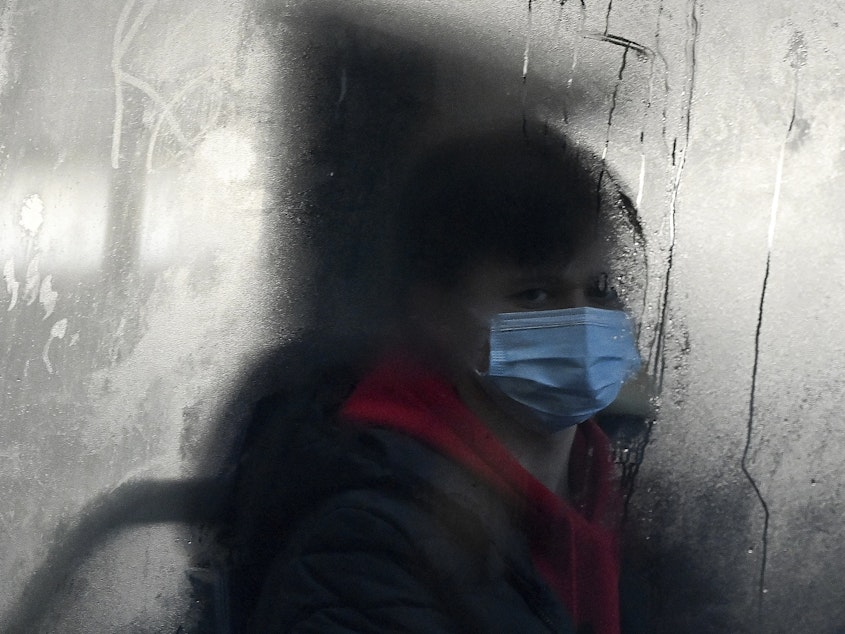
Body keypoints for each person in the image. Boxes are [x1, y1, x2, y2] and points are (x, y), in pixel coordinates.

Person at [228, 127, 644, 633]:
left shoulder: (628, 512)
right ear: (437, 313)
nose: (582, 320)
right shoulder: (368, 542)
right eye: (534, 294)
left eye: (600, 287)